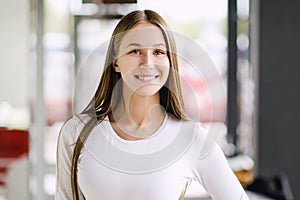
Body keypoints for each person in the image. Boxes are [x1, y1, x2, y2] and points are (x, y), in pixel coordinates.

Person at [56, 9, 249, 200]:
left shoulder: (191, 138)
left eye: (158, 52)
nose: (147, 62)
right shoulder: (76, 132)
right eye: (135, 51)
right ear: (115, 62)